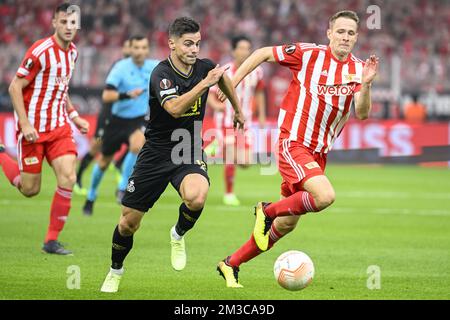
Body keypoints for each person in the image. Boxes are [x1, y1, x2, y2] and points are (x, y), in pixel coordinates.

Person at [216, 10, 379, 288]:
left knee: (286, 225)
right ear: (329, 33)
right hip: (293, 142)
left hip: (318, 153)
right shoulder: (308, 54)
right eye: (340, 31)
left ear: (357, 37)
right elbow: (263, 53)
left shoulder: (359, 69)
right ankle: (266, 211)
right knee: (325, 196)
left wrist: (365, 86)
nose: (345, 37)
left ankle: (231, 264)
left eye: (351, 33)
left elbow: (362, 113)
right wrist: (235, 81)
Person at [100, 16, 245, 293]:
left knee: (197, 195)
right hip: (155, 151)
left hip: (187, 147)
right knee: (128, 223)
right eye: (188, 44)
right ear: (172, 44)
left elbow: (223, 78)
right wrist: (205, 84)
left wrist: (238, 109)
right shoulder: (160, 73)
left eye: (198, 44)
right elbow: (175, 109)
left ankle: (177, 234)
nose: (194, 49)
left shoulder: (204, 67)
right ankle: (115, 270)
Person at [0, 3, 89, 255]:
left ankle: (51, 240)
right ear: (54, 23)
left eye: (73, 23)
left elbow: (61, 88)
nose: (69, 27)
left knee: (68, 177)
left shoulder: (73, 53)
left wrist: (74, 115)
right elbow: (15, 87)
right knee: (30, 189)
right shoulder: (40, 51)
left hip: (59, 127)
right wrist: (25, 123)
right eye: (64, 22)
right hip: (33, 131)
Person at [82, 35, 159, 215]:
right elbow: (106, 96)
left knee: (138, 145)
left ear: (147, 50)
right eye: (136, 48)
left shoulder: (153, 66)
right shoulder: (120, 68)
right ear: (130, 49)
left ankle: (122, 186)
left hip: (138, 119)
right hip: (116, 121)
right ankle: (91, 195)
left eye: (143, 47)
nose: (140, 51)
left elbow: (173, 66)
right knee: (103, 162)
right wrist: (127, 95)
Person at [207, 35, 266, 206]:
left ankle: (217, 145)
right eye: (241, 48)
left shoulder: (257, 71)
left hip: (245, 121)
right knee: (231, 156)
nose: (244, 52)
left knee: (246, 162)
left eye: (247, 48)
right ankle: (229, 193)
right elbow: (210, 94)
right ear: (233, 51)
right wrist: (216, 106)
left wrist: (261, 115)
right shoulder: (224, 71)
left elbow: (260, 93)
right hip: (226, 121)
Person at [74, 39, 132, 196]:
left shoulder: (137, 69)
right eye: (128, 46)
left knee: (138, 142)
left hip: (125, 117)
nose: (130, 50)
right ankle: (77, 179)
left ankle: (120, 164)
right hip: (108, 116)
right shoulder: (118, 67)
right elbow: (110, 92)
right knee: (96, 147)